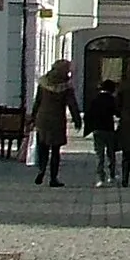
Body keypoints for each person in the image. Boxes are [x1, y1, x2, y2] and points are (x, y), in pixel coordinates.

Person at [27, 59, 83, 187]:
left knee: (43, 147)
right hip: (57, 119)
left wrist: (32, 117)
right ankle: (53, 178)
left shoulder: (43, 82)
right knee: (55, 150)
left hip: (42, 118)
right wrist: (77, 120)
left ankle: (41, 170)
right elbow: (72, 104)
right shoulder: (66, 86)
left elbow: (37, 101)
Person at [84, 79, 120, 186]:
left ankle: (100, 177)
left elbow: (88, 115)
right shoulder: (111, 99)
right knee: (111, 154)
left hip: (97, 130)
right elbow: (116, 112)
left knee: (99, 155)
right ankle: (112, 175)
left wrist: (88, 128)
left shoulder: (95, 99)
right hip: (108, 129)